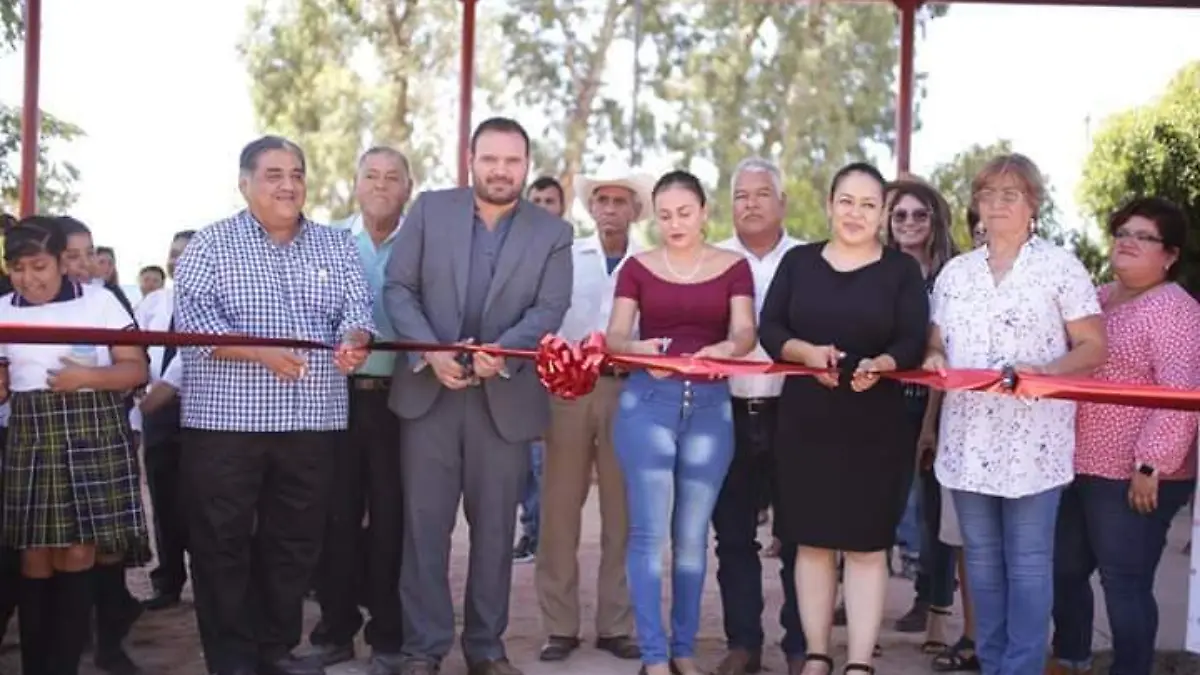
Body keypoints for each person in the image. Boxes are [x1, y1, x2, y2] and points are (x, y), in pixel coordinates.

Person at [175, 135, 374, 675]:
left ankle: (274, 648)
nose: (289, 185)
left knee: (295, 543)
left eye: (297, 173)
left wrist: (356, 339)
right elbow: (192, 324)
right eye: (273, 174)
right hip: (226, 425)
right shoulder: (211, 245)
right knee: (222, 542)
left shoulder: (336, 245)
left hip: (313, 420)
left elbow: (358, 310)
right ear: (244, 183)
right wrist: (259, 351)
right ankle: (232, 658)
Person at [383, 117, 573, 675]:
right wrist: (431, 352)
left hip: (504, 397)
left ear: (526, 163)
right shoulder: (429, 210)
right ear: (471, 160)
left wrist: (505, 352)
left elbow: (549, 308)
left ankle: (487, 650)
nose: (501, 170)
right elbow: (399, 287)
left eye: (512, 161)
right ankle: (424, 649)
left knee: (495, 534)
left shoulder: (552, 232)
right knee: (424, 531)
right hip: (428, 395)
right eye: (490, 159)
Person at [924, 153, 1107, 675]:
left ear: (1033, 205)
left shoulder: (1061, 267)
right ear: (976, 204)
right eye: (988, 194)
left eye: (1011, 194)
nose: (997, 204)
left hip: (1035, 441)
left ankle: (1023, 666)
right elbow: (935, 344)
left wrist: (1045, 370)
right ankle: (993, 661)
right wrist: (933, 358)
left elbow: (1093, 347)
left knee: (1028, 565)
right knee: (980, 564)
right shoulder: (955, 274)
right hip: (968, 439)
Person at [759, 162, 930, 675]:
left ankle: (858, 660)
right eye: (846, 201)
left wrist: (885, 364)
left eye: (868, 205)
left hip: (876, 425)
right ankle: (817, 653)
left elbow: (911, 339)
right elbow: (770, 328)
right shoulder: (799, 263)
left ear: (881, 215)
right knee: (809, 542)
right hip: (805, 420)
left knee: (865, 546)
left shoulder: (901, 272)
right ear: (830, 203)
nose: (855, 213)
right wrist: (805, 353)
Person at [606, 170, 757, 675]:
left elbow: (745, 332)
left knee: (692, 537)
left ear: (704, 212)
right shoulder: (637, 268)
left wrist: (726, 349)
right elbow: (614, 339)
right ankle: (653, 654)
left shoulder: (734, 268)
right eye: (665, 215)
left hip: (712, 406)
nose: (675, 223)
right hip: (647, 403)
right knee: (649, 535)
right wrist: (637, 349)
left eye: (684, 213)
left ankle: (683, 650)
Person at [1049, 197, 1200, 675]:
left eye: (1144, 236)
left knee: (1124, 582)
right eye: (1123, 233)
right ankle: (1071, 659)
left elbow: (1182, 393)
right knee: (1063, 570)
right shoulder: (1097, 298)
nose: (1128, 242)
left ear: (1169, 255)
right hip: (1079, 464)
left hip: (1136, 473)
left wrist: (1150, 465)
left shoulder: (1177, 311)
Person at [0, 216, 150, 675]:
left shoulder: (100, 303)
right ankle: (36, 666)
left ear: (62, 263)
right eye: (17, 268)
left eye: (40, 266)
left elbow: (136, 369)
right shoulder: (3, 309)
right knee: (34, 552)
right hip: (31, 431)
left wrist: (87, 377)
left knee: (80, 548)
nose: (29, 278)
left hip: (93, 429)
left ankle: (64, 665)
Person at [535, 166, 650, 663]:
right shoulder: (567, 256)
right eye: (601, 200)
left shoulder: (650, 263)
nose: (610, 208)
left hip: (629, 392)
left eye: (620, 201)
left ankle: (615, 624)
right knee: (559, 510)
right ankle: (559, 626)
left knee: (622, 513)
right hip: (569, 393)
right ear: (591, 208)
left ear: (634, 210)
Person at [308, 146, 412, 674]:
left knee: (394, 520)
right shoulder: (326, 242)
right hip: (337, 398)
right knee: (336, 517)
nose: (380, 184)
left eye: (392, 177)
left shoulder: (422, 242)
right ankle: (334, 630)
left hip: (402, 403)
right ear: (355, 183)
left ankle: (389, 635)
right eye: (371, 175)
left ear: (407, 188)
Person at [712, 157, 806, 675]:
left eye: (761, 194)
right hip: (724, 411)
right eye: (741, 195)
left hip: (793, 412)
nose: (749, 203)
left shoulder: (810, 259)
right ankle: (743, 644)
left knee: (799, 535)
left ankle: (799, 646)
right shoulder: (711, 259)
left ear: (782, 203)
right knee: (732, 536)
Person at [884, 179, 959, 650]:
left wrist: (930, 424)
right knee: (878, 502)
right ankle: (856, 596)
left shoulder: (953, 275)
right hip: (886, 401)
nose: (909, 223)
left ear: (935, 221)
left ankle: (933, 608)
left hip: (942, 405)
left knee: (936, 515)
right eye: (900, 215)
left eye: (919, 214)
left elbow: (945, 349)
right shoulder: (878, 270)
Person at [133, 230, 195, 613]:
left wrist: (163, 391)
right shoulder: (154, 302)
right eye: (173, 254)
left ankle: (210, 583)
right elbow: (132, 347)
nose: (177, 261)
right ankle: (168, 581)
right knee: (163, 498)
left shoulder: (215, 300)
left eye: (186, 254)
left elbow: (195, 355)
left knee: (204, 503)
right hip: (157, 415)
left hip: (201, 412)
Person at [515, 175, 566, 564]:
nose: (544, 206)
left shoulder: (568, 250)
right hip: (519, 370)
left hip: (565, 376)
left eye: (551, 200)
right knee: (524, 463)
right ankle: (529, 530)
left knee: (546, 464)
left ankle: (541, 535)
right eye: (537, 199)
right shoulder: (514, 253)